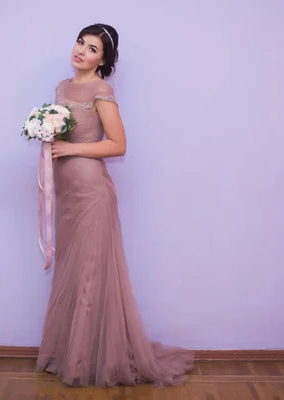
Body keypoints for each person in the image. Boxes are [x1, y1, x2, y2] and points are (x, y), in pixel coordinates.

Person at [36, 23, 194, 388]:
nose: (81, 51)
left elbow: (118, 145)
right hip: (67, 192)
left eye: (92, 49)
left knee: (92, 274)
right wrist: (45, 133)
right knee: (71, 272)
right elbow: (62, 134)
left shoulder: (102, 90)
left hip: (92, 193)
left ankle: (90, 361)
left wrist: (71, 148)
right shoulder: (62, 87)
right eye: (80, 42)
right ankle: (71, 353)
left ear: (103, 60)